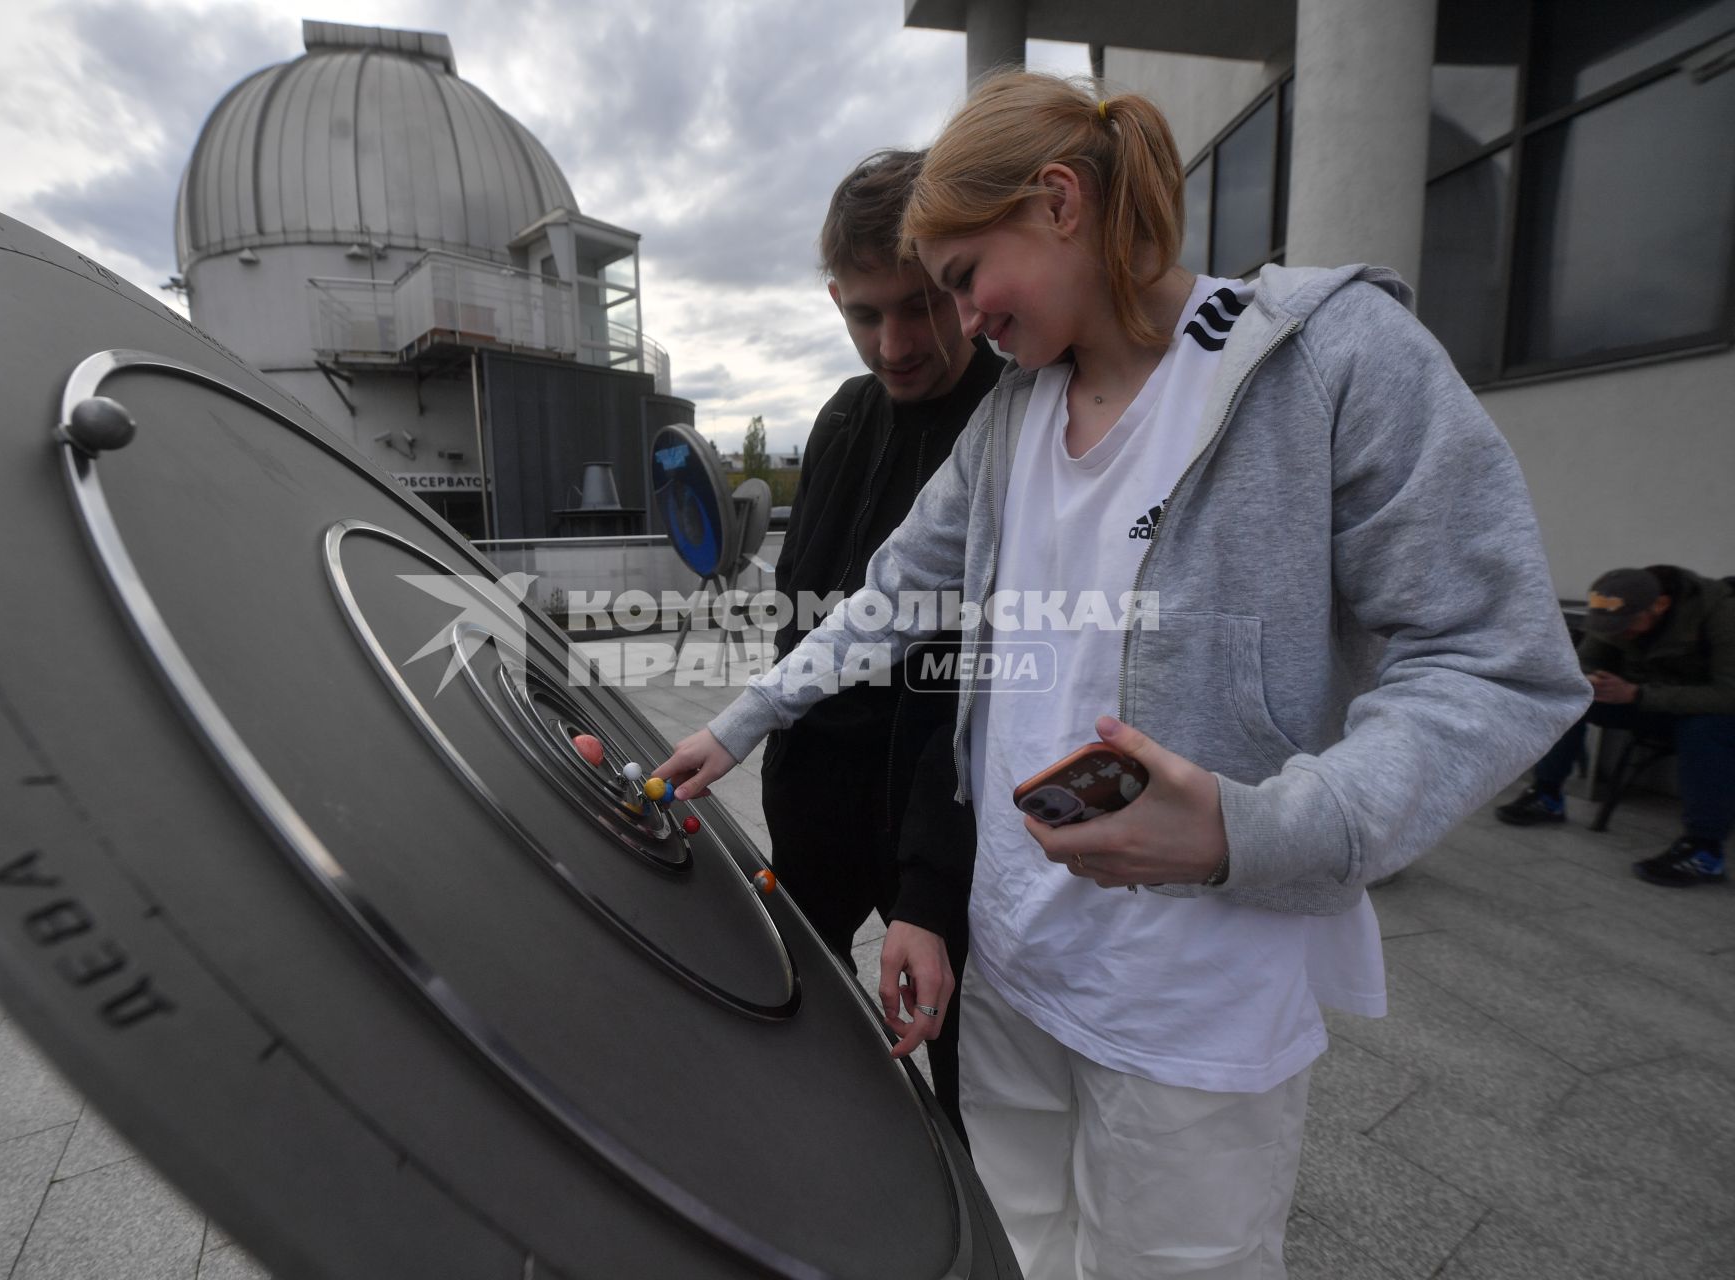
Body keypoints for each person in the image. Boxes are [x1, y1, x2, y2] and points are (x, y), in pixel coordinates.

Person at [659, 71, 1589, 1278]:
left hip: (1191, 1000)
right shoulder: (1009, 422)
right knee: (1019, 1249)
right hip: (1011, 970)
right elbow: (890, 600)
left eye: (960, 281)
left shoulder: (1327, 360)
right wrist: (735, 725)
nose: (961, 320)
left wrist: (1251, 827)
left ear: (1057, 202)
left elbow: (1496, 662)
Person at [761, 149, 1002, 1136]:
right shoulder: (842, 417)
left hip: (938, 820)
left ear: (960, 284)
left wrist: (932, 889)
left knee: (962, 1095)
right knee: (793, 1035)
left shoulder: (1012, 418)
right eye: (865, 314)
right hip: (814, 810)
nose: (893, 342)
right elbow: (795, 606)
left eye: (917, 306)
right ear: (834, 300)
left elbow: (982, 675)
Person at [1497, 565, 1735, 887]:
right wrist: (1591, 680)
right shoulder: (1618, 607)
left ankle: (1705, 851)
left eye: (1627, 626)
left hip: (1705, 711)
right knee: (1571, 699)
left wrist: (1638, 694)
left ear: (1661, 605)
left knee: (1706, 729)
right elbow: (1585, 663)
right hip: (1644, 699)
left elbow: (1727, 695)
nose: (1620, 632)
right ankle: (1547, 794)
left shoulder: (1720, 613)